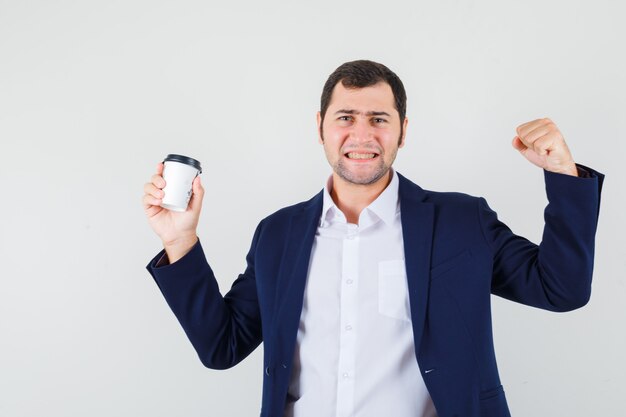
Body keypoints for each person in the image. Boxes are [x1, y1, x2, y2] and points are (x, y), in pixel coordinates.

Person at [142, 60, 604, 417]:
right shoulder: (277, 234)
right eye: (346, 117)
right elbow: (223, 347)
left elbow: (560, 289)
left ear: (404, 130)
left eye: (379, 119)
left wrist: (564, 175)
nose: (361, 135)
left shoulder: (463, 221)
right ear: (320, 126)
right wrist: (180, 241)